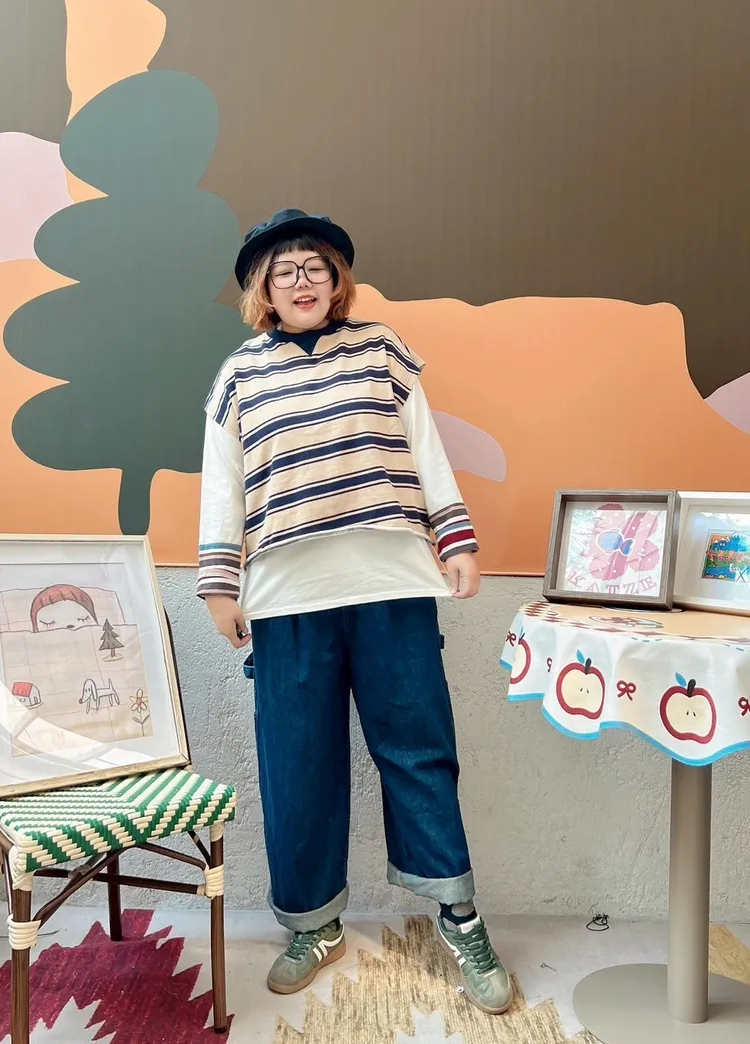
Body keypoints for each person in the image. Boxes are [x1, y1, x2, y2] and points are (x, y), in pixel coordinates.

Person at [198, 208, 511, 1015]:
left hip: (391, 584)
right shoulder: (239, 376)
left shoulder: (381, 351)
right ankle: (314, 925)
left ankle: (459, 915)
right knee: (296, 762)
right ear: (262, 290)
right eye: (284, 270)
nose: (301, 280)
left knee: (419, 748)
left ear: (337, 281)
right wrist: (220, 586)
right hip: (287, 600)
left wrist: (456, 542)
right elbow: (221, 485)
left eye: (316, 266)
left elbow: (426, 449)